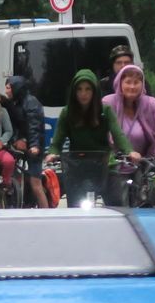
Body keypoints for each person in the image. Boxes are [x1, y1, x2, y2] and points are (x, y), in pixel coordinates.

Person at [48, 69, 138, 207]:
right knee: (74, 207)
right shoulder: (67, 113)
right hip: (77, 167)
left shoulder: (105, 111)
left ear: (94, 91)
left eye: (88, 89)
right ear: (74, 92)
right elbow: (57, 142)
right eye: (79, 89)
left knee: (117, 203)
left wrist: (129, 151)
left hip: (105, 165)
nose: (83, 94)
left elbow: (118, 134)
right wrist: (52, 154)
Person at [4, 75, 49, 208]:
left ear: (16, 88)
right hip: (20, 145)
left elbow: (34, 126)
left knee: (36, 183)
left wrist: (33, 145)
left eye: (8, 88)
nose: (6, 91)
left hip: (33, 147)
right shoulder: (15, 103)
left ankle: (46, 212)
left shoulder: (31, 102)